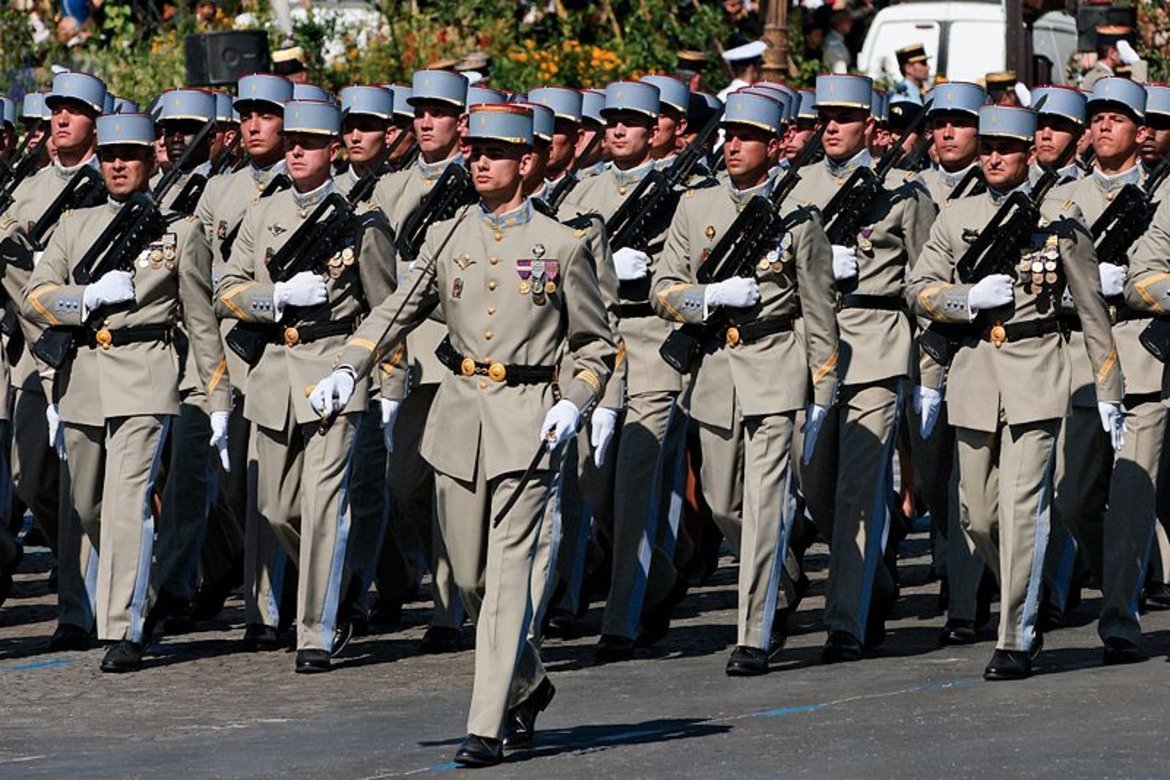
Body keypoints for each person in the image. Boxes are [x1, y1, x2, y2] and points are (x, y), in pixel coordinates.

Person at [309, 102, 616, 766]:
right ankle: (528, 682)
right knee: (471, 580)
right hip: (458, 419)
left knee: (507, 582)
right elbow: (397, 305)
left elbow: (596, 344)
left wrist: (579, 400)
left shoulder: (564, 244)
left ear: (526, 163)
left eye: (493, 153)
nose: (477, 162)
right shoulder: (450, 235)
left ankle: (485, 725)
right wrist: (347, 362)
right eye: (473, 151)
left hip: (529, 417)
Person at [907, 104, 1124, 680]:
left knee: (1024, 508)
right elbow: (919, 289)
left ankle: (1016, 635)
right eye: (987, 149)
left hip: (1036, 371)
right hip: (976, 372)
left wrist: (1108, 387)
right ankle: (1021, 590)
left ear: (1029, 151)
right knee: (976, 516)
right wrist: (965, 299)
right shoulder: (957, 217)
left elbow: (1091, 309)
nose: (995, 158)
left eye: (1006, 148)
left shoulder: (1059, 218)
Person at [23, 110, 230, 672]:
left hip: (145, 372)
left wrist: (216, 400)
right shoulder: (74, 225)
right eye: (110, 156)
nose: (118, 165)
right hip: (84, 372)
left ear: (149, 160)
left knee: (126, 503)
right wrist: (85, 298)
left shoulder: (179, 232)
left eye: (130, 156)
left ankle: (125, 626)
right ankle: (108, 602)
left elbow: (202, 321)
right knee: (85, 502)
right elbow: (35, 299)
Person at [651, 89, 839, 674]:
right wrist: (708, 296)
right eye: (728, 138)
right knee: (724, 502)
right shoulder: (694, 207)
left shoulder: (799, 216)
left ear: (774, 144)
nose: (733, 147)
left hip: (776, 365)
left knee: (764, 505)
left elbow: (817, 308)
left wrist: (823, 391)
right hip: (713, 373)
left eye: (746, 138)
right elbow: (663, 288)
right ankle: (783, 577)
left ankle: (753, 635)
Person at [213, 98, 397, 673]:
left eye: (309, 143)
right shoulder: (262, 215)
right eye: (290, 141)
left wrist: (377, 380)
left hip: (332, 372)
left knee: (322, 508)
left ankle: (316, 629)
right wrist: (274, 300)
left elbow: (386, 307)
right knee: (274, 509)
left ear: (333, 150)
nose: (294, 150)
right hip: (272, 375)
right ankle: (335, 585)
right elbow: (226, 287)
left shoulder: (360, 221)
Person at [788, 74, 936, 662]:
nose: (829, 126)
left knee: (856, 489)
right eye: (824, 116)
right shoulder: (793, 187)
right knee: (813, 483)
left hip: (875, 344)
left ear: (871, 129)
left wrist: (928, 372)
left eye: (844, 118)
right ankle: (873, 573)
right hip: (808, 347)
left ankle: (845, 620)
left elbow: (927, 280)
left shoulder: (905, 192)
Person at [561, 80, 691, 662]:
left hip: (653, 341)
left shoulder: (685, 191)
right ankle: (659, 580)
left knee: (636, 485)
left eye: (630, 122)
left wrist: (653, 269)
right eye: (610, 119)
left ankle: (621, 620)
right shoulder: (579, 191)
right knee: (594, 483)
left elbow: (694, 264)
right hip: (595, 345)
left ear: (653, 129)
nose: (616, 129)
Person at [1050, 78, 1161, 664]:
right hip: (1080, 362)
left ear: (1140, 131)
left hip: (1143, 357)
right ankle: (1119, 573)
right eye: (1096, 118)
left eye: (1116, 118)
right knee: (1072, 497)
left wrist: (1141, 291)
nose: (1102, 127)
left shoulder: (1163, 196)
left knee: (1132, 496)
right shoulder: (1061, 198)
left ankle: (1119, 615)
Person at [0, 72, 105, 652]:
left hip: (88, 351)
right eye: (55, 110)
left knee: (78, 487)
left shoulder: (115, 182)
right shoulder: (28, 190)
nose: (61, 119)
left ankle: (79, 608)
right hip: (32, 355)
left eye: (74, 111)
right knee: (30, 475)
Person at [370, 69, 469, 651]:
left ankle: (448, 608)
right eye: (420, 112)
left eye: (438, 112)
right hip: (408, 359)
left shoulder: (480, 185)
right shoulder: (392, 188)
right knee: (406, 484)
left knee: (453, 487)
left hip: (458, 356)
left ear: (460, 120)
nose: (426, 122)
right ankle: (420, 573)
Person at [196, 72, 295, 650]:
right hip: (233, 348)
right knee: (237, 488)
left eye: (266, 115)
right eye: (246, 115)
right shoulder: (220, 190)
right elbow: (204, 272)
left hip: (286, 351)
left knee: (271, 486)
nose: (253, 126)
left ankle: (267, 609)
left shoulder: (307, 185)